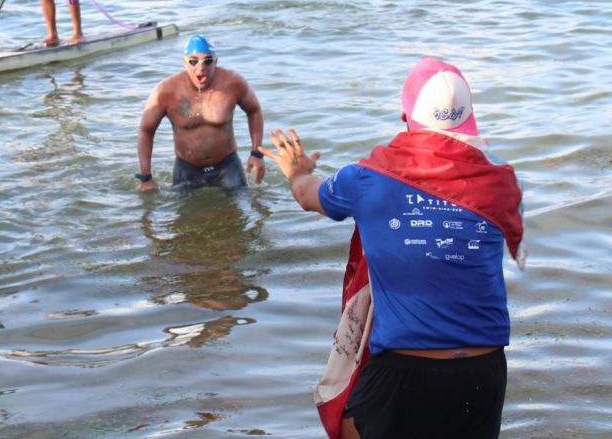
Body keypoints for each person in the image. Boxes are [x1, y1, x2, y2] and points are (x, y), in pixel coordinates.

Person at [261, 58, 524, 439]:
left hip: (404, 372)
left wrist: (297, 171)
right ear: (470, 117)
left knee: (347, 423)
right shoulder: (502, 180)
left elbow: (306, 195)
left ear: (406, 113)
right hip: (485, 372)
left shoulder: (368, 178)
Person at [136, 35, 266, 191]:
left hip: (227, 165)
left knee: (239, 213)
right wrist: (146, 177)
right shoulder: (165, 91)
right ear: (184, 62)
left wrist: (256, 154)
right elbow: (146, 130)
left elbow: (254, 111)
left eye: (208, 61)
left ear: (215, 62)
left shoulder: (233, 83)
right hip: (187, 168)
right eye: (193, 61)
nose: (201, 67)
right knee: (186, 215)